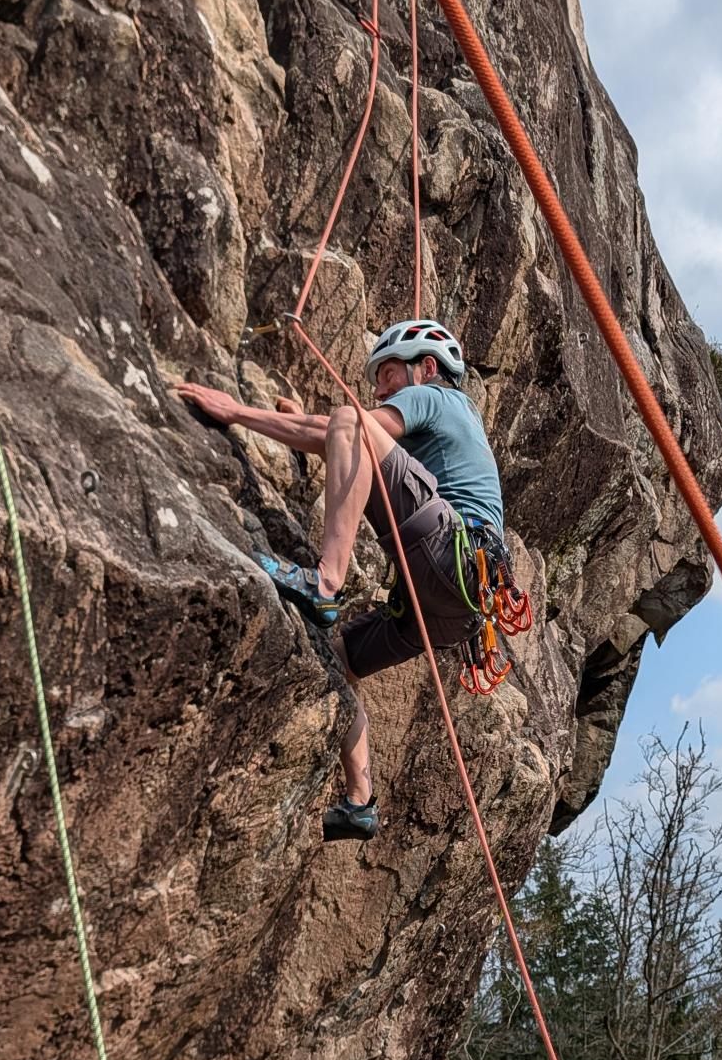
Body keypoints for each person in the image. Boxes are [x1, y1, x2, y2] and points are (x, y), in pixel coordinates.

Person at [175, 319, 507, 842]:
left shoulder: (439, 398)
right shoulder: (450, 420)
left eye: (389, 374)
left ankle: (325, 582)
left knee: (349, 419)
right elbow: (340, 440)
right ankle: (359, 801)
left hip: (450, 554)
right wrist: (308, 424)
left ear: (426, 367)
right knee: (338, 659)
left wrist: (237, 411)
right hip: (456, 607)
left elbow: (348, 428)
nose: (380, 389)